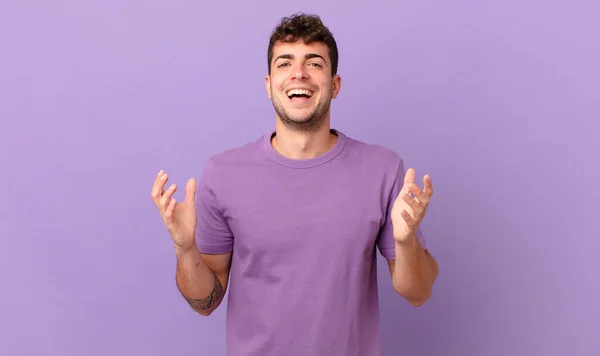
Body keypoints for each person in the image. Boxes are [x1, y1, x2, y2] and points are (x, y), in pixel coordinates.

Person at [151, 12, 439, 356]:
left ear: (335, 84)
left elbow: (418, 293)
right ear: (269, 83)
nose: (298, 73)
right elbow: (205, 302)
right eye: (285, 63)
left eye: (314, 63)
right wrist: (185, 250)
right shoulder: (223, 173)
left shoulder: (383, 169)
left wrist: (406, 243)